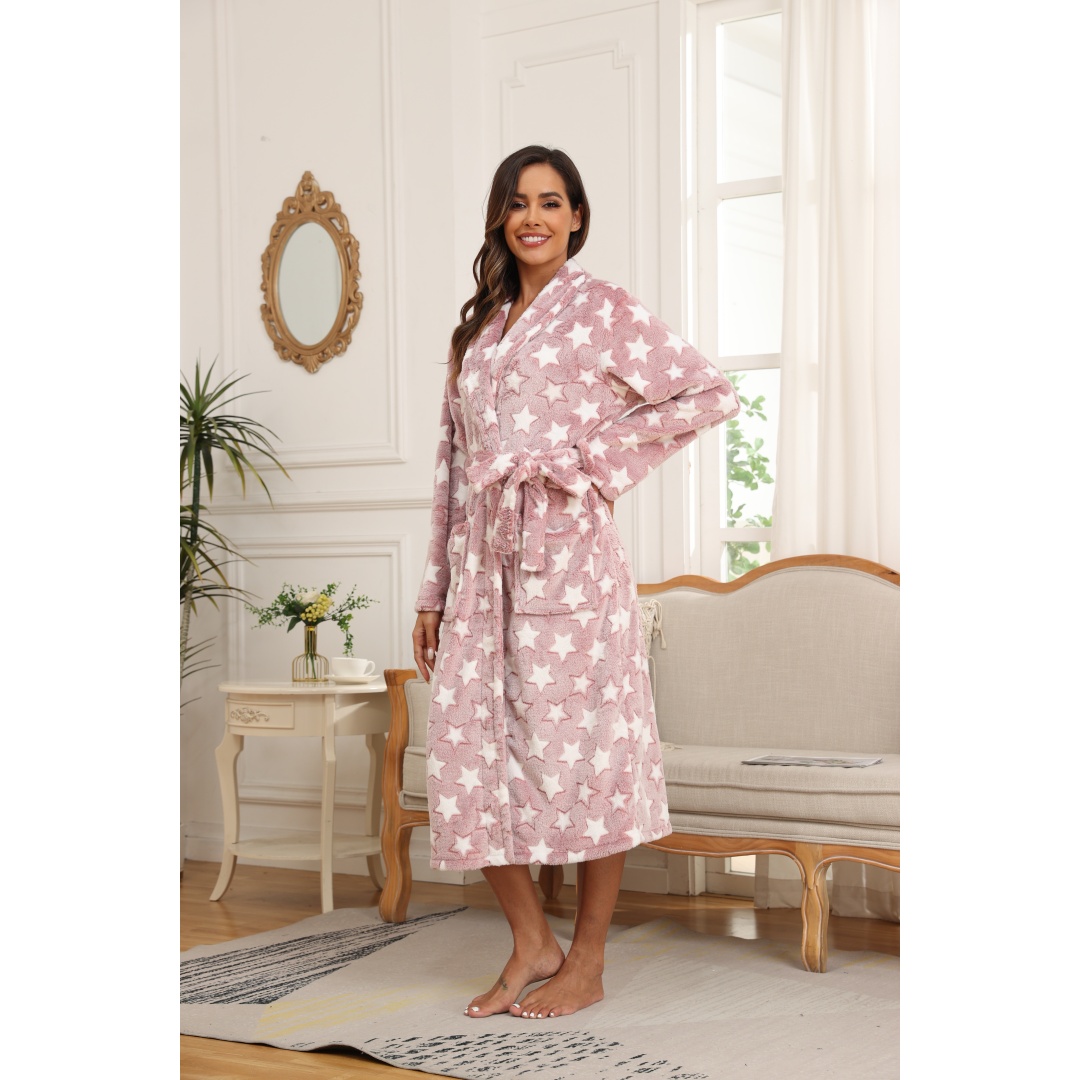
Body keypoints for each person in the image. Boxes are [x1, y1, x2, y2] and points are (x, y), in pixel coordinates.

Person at [412, 145, 739, 1020]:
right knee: (466, 753)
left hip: (570, 562)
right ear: (499, 217)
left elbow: (707, 393)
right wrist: (433, 590)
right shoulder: (478, 333)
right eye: (519, 202)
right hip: (481, 570)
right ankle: (532, 941)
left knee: (593, 756)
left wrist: (585, 460)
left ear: (577, 217)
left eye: (551, 202)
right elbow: (453, 467)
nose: (534, 217)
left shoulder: (601, 308)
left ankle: (587, 958)